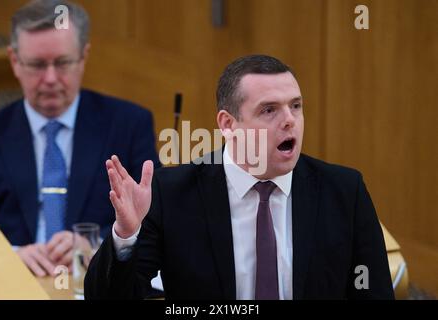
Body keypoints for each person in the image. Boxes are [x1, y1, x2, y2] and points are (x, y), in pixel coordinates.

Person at [84, 55, 394, 300]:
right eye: (269, 110)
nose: (290, 121)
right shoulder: (172, 193)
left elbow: (373, 293)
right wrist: (126, 236)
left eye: (296, 106)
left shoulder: (343, 191)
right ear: (228, 124)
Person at [0, 0, 160, 277]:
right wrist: (11, 253)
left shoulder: (129, 124)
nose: (51, 78)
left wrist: (98, 244)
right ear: (14, 61)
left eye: (63, 62)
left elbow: (155, 216)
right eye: (37, 65)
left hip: (95, 281)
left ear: (83, 57)